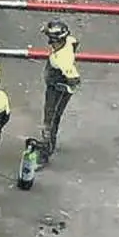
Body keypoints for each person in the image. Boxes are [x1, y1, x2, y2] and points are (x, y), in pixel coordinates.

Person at [40, 19, 80, 165]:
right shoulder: (68, 40)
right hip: (55, 84)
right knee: (53, 117)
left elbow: (74, 80)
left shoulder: (63, 59)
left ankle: (46, 151)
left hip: (57, 89)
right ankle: (51, 141)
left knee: (49, 120)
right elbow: (75, 42)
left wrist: (62, 87)